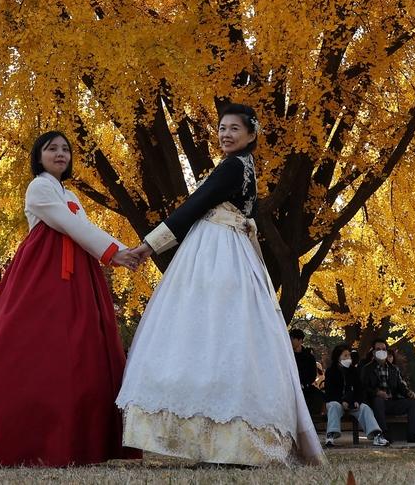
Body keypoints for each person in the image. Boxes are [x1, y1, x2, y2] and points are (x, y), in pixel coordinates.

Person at [117, 103, 324, 467]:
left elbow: (194, 205)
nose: (226, 134)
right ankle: (225, 441)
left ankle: (208, 440)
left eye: (234, 129)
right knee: (228, 338)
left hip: (218, 253)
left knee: (204, 332)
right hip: (227, 250)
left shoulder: (233, 167)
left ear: (251, 134)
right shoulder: (244, 166)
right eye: (222, 128)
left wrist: (149, 246)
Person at [0, 130, 141, 467]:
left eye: (66, 149)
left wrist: (121, 251)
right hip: (44, 272)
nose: (60, 154)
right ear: (38, 156)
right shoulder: (38, 187)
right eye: (52, 149)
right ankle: (21, 431)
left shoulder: (71, 194)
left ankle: (80, 437)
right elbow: (68, 224)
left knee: (81, 348)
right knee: (36, 345)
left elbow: (84, 229)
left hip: (78, 273)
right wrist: (116, 252)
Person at [322, 345, 389, 447]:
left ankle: (377, 435)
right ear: (338, 357)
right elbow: (330, 392)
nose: (348, 358)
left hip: (352, 403)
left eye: (349, 355)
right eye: (345, 356)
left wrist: (357, 400)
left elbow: (359, 389)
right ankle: (330, 435)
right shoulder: (331, 371)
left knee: (365, 408)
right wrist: (342, 401)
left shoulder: (354, 371)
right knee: (334, 406)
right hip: (336, 402)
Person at [360, 339, 415, 445]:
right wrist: (377, 392)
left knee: (413, 403)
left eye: (384, 349)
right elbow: (364, 388)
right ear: (373, 352)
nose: (381, 351)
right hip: (376, 403)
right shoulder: (367, 369)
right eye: (378, 349)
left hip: (392, 401)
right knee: (378, 401)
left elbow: (400, 386)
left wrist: (408, 392)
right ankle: (383, 434)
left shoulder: (394, 369)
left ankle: (413, 435)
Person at [290, 330, 324, 417]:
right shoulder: (289, 355)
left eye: (293, 339)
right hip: (291, 386)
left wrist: (304, 383)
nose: (291, 341)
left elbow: (312, 374)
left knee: (318, 396)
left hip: (306, 386)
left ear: (300, 340)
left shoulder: (309, 357)